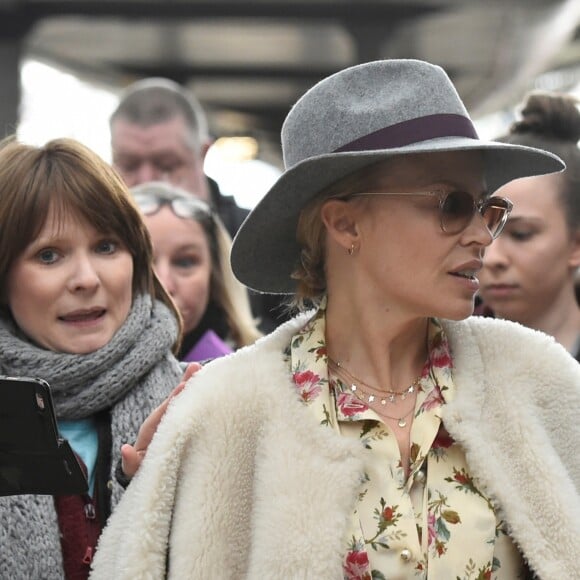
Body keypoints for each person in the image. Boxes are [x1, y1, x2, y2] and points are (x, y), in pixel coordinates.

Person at [91, 60, 580, 579]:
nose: (483, 235)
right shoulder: (227, 409)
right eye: (453, 204)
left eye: (488, 209)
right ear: (345, 223)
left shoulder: (539, 382)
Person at [0, 137, 186, 579]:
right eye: (49, 255)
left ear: (136, 259)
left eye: (106, 247)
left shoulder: (195, 402)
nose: (85, 279)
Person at [110, 77, 287, 333]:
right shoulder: (91, 242)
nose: (146, 181)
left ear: (203, 154)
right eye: (129, 165)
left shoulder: (262, 242)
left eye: (167, 165)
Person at [478, 91, 580, 361]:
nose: (491, 257)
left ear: (576, 244)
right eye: (484, 229)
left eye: (521, 234)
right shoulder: (436, 361)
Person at [130, 181, 261, 361]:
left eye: (184, 263)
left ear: (215, 277)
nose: (164, 285)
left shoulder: (253, 377)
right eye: (143, 263)